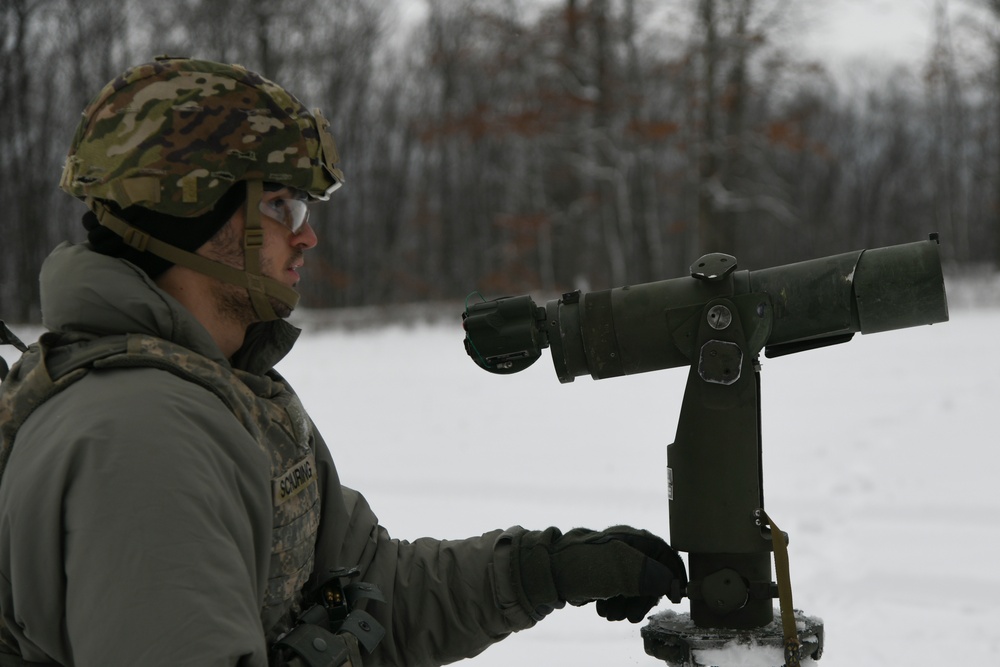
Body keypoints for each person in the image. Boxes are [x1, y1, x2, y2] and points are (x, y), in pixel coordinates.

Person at [0, 56, 686, 667]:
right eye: (276, 203)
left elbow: (373, 590)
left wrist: (542, 571)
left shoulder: (225, 390)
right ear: (191, 210)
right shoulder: (141, 441)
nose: (306, 235)